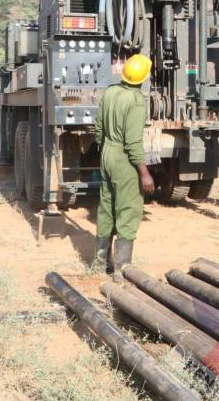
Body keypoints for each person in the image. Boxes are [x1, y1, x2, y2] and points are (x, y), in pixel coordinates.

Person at [94, 53, 155, 281]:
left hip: (107, 152)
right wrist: (145, 173)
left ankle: (100, 262)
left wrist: (104, 151)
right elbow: (133, 143)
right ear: (144, 76)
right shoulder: (136, 100)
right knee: (128, 210)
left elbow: (98, 126)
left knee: (106, 206)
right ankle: (122, 270)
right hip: (124, 159)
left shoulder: (110, 91)